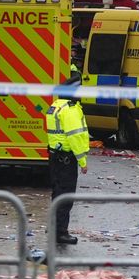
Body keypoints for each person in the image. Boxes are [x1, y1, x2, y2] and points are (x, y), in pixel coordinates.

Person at [44, 74, 89, 246]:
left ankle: (54, 226)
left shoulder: (55, 106)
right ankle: (61, 233)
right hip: (66, 160)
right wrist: (83, 161)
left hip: (55, 157)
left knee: (57, 194)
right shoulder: (70, 110)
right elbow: (75, 137)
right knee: (66, 196)